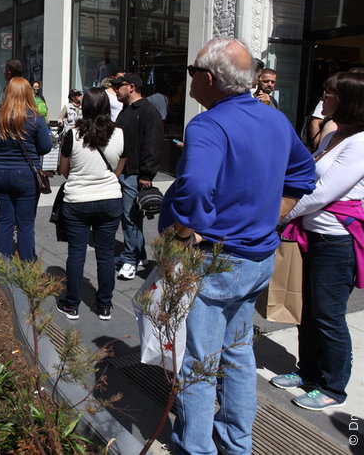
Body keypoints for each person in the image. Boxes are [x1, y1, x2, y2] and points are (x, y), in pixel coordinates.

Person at [159, 37, 315, 455]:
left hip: (220, 259)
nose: (189, 79)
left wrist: (182, 236)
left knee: (200, 361)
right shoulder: (273, 119)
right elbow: (304, 173)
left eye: (192, 71)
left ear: (208, 78)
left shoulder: (208, 125)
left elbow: (194, 188)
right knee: (238, 353)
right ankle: (236, 444)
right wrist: (271, 215)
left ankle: (196, 448)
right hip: (257, 255)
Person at [272, 71, 364, 411]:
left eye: (329, 93)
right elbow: (306, 174)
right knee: (306, 311)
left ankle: (334, 386)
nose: (322, 98)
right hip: (311, 234)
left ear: (350, 100)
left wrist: (280, 215)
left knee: (328, 315)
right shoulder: (333, 136)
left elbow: (321, 193)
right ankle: (307, 372)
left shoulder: (360, 144)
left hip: (335, 242)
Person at [56, 87, 125, 321]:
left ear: (84, 107)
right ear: (106, 106)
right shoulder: (119, 134)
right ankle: (104, 305)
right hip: (110, 198)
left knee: (76, 253)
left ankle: (72, 304)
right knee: (105, 254)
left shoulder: (72, 135)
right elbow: (118, 169)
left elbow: (63, 170)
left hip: (77, 200)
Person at [0, 77, 52, 261]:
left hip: (0, 173)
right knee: (26, 224)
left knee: (4, 221)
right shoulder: (35, 118)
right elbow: (45, 147)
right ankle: (26, 266)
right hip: (26, 174)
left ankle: (0, 264)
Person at [112, 72, 164, 280]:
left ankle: (129, 260)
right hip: (124, 171)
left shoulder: (148, 111)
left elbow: (153, 144)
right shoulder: (126, 111)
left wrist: (146, 173)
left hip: (135, 173)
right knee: (129, 217)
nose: (116, 89)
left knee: (130, 217)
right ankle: (139, 254)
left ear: (131, 87)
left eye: (119, 86)